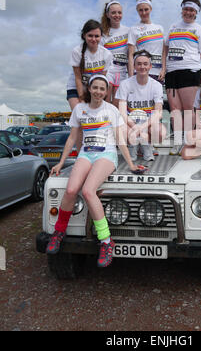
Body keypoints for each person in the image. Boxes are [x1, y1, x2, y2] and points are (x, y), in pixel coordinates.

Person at [46, 75, 140, 268]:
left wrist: (130, 164)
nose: (98, 91)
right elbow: (72, 138)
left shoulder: (111, 110)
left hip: (106, 155)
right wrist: (61, 163)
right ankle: (59, 231)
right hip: (86, 154)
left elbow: (120, 140)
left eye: (102, 89)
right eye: (95, 87)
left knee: (88, 191)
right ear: (89, 88)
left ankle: (106, 241)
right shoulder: (80, 109)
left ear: (106, 92)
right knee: (71, 190)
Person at [161, 0, 201, 155]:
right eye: (186, 9)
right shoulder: (173, 27)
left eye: (192, 10)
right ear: (182, 9)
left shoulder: (200, 30)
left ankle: (189, 141)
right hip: (172, 71)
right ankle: (178, 142)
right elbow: (165, 47)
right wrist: (164, 68)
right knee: (175, 109)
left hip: (191, 70)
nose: (188, 12)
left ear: (196, 13)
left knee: (190, 110)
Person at [66, 19, 113, 150]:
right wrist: (81, 98)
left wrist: (101, 100)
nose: (93, 39)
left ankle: (96, 150)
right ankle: (81, 153)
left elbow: (102, 80)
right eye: (90, 36)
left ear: (101, 37)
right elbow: (77, 77)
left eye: (97, 36)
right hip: (76, 89)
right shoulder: (77, 51)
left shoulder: (106, 54)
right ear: (84, 36)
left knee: (97, 121)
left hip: (94, 90)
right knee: (81, 121)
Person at [115, 50, 166, 161]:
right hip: (131, 123)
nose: (142, 67)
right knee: (120, 131)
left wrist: (141, 128)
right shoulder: (125, 84)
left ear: (150, 66)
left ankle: (147, 145)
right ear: (134, 66)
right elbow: (122, 113)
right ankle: (133, 146)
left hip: (146, 124)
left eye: (145, 64)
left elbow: (158, 113)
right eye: (139, 64)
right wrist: (135, 128)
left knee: (160, 132)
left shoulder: (156, 85)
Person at [127, 0, 165, 82]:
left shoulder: (160, 28)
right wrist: (131, 76)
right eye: (140, 10)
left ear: (150, 9)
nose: (144, 13)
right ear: (137, 11)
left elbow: (163, 52)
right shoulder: (133, 29)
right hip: (141, 72)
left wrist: (163, 69)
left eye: (146, 9)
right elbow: (130, 55)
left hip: (157, 74)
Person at [100, 0, 129, 106]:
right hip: (108, 71)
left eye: (119, 12)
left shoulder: (128, 30)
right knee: (105, 103)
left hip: (122, 72)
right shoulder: (102, 33)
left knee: (118, 106)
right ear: (107, 14)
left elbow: (131, 54)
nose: (117, 15)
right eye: (113, 13)